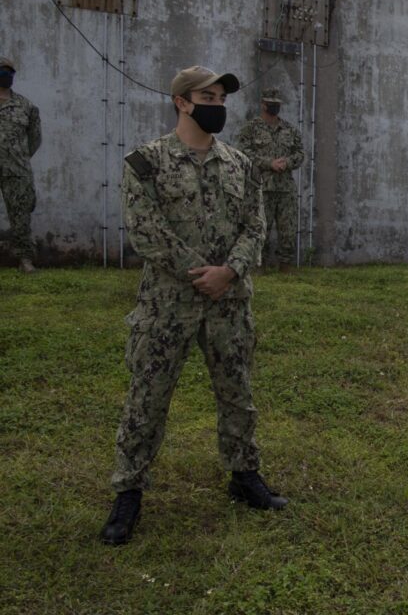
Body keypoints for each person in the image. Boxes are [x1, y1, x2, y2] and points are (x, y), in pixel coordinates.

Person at [101, 66, 287, 547]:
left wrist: (230, 271)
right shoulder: (146, 162)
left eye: (222, 98)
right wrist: (199, 272)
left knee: (236, 392)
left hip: (229, 301)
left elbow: (255, 226)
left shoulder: (241, 165)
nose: (218, 105)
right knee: (148, 397)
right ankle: (129, 491)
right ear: (182, 101)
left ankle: (244, 474)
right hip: (168, 305)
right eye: (208, 96)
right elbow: (145, 230)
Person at [235, 87, 304, 271]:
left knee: (288, 230)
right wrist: (268, 163)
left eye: (277, 104)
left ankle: (286, 267)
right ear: (263, 104)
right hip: (261, 187)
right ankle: (260, 266)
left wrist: (287, 162)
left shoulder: (290, 130)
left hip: (285, 188)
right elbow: (242, 152)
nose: (274, 107)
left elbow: (300, 153)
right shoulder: (250, 129)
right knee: (260, 228)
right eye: (271, 104)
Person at [0, 56, 42, 273]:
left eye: (9, 71)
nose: (6, 74)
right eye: (2, 70)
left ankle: (25, 259)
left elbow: (35, 139)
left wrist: (18, 157)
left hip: (16, 170)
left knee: (21, 215)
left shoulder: (26, 106)